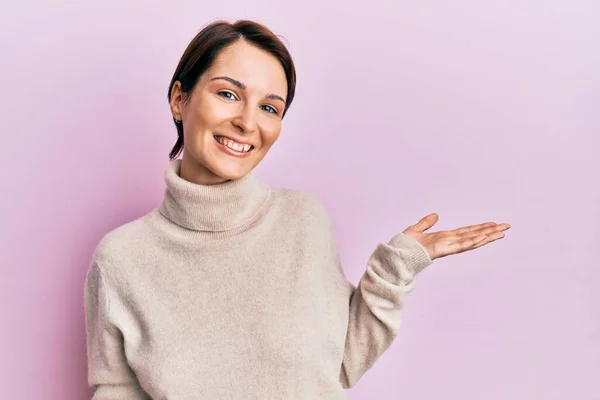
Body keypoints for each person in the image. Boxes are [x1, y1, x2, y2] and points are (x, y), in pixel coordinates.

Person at [84, 19, 510, 399]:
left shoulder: (302, 222)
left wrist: (395, 267)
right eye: (229, 94)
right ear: (180, 98)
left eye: (269, 107)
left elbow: (342, 363)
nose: (248, 122)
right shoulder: (121, 260)